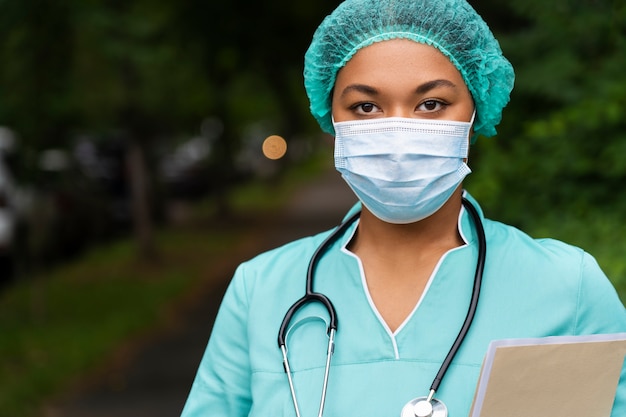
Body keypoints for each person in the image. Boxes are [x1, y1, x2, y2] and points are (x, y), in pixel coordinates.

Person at [181, 0, 626, 416]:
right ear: (332, 120)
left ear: (474, 116)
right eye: (366, 106)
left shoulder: (568, 286)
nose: (397, 132)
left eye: (431, 104)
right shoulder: (261, 290)